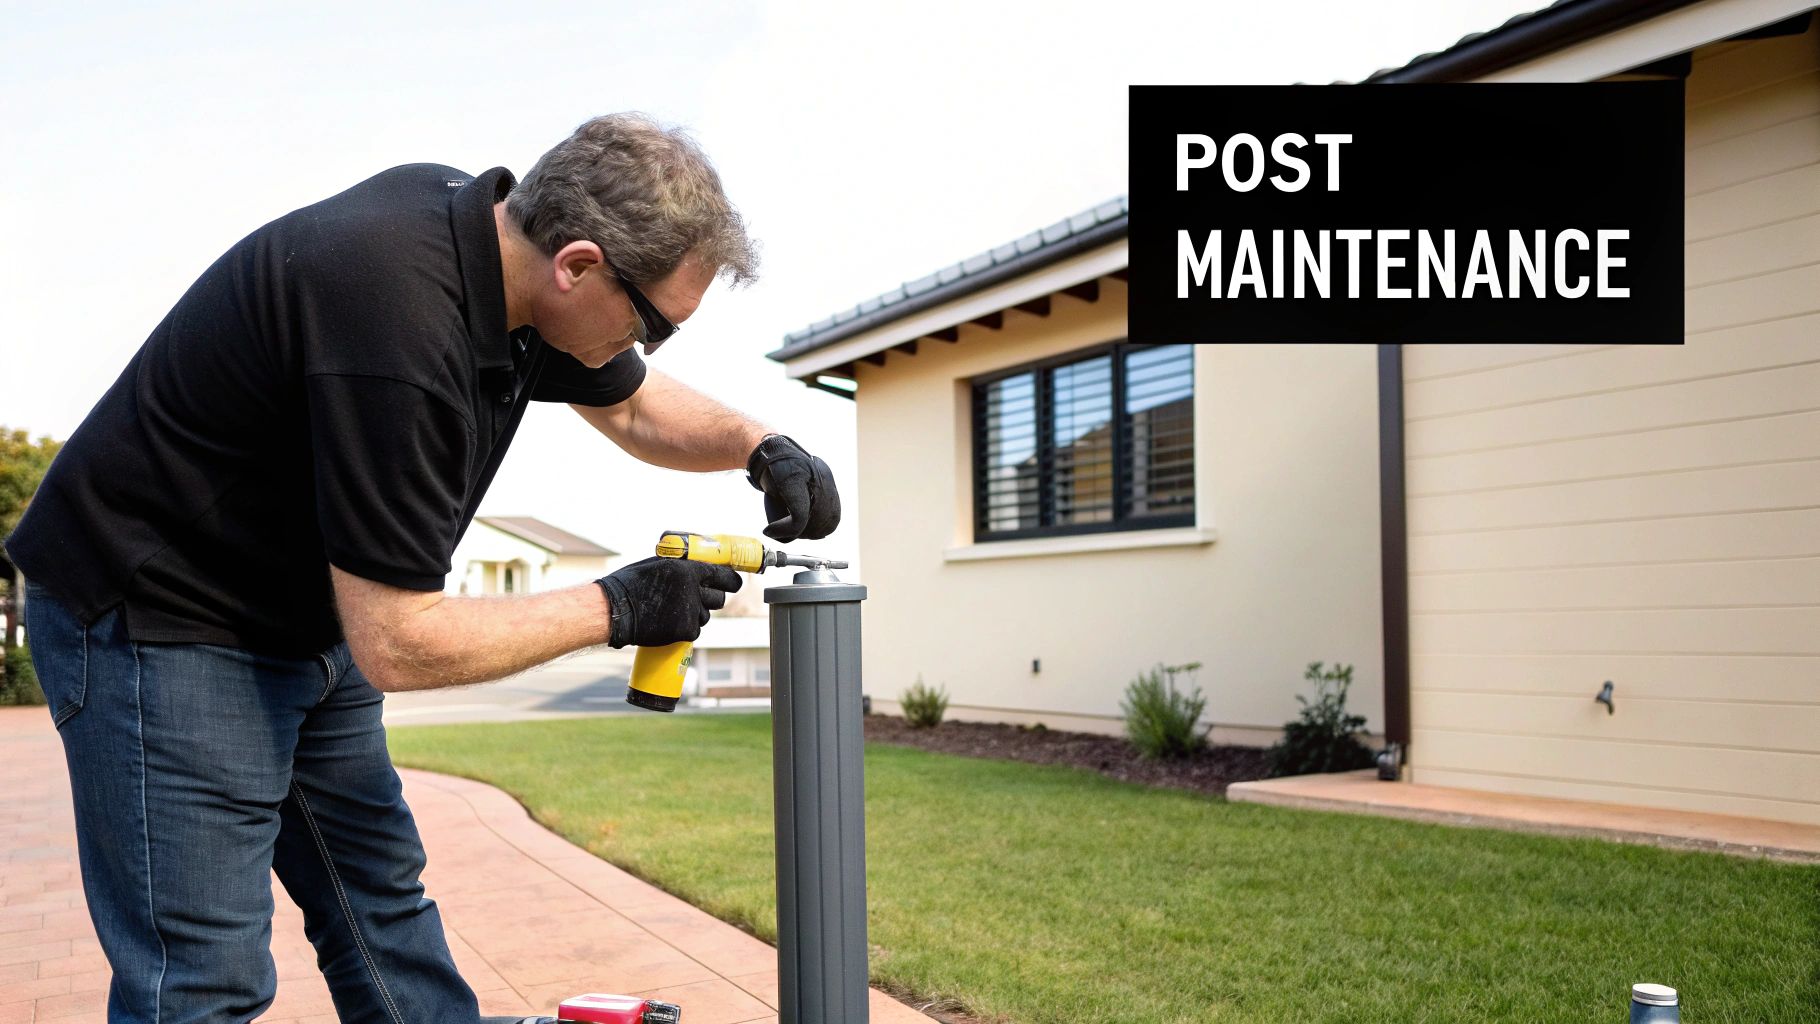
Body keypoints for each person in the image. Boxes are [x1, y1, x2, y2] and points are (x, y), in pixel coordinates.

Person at [3, 113, 840, 1024]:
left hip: (309, 612)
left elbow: (634, 407)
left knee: (381, 909)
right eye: (655, 324)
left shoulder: (494, 247)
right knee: (201, 984)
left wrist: (760, 444)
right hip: (159, 617)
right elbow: (399, 644)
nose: (647, 348)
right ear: (581, 265)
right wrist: (621, 604)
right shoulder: (397, 326)